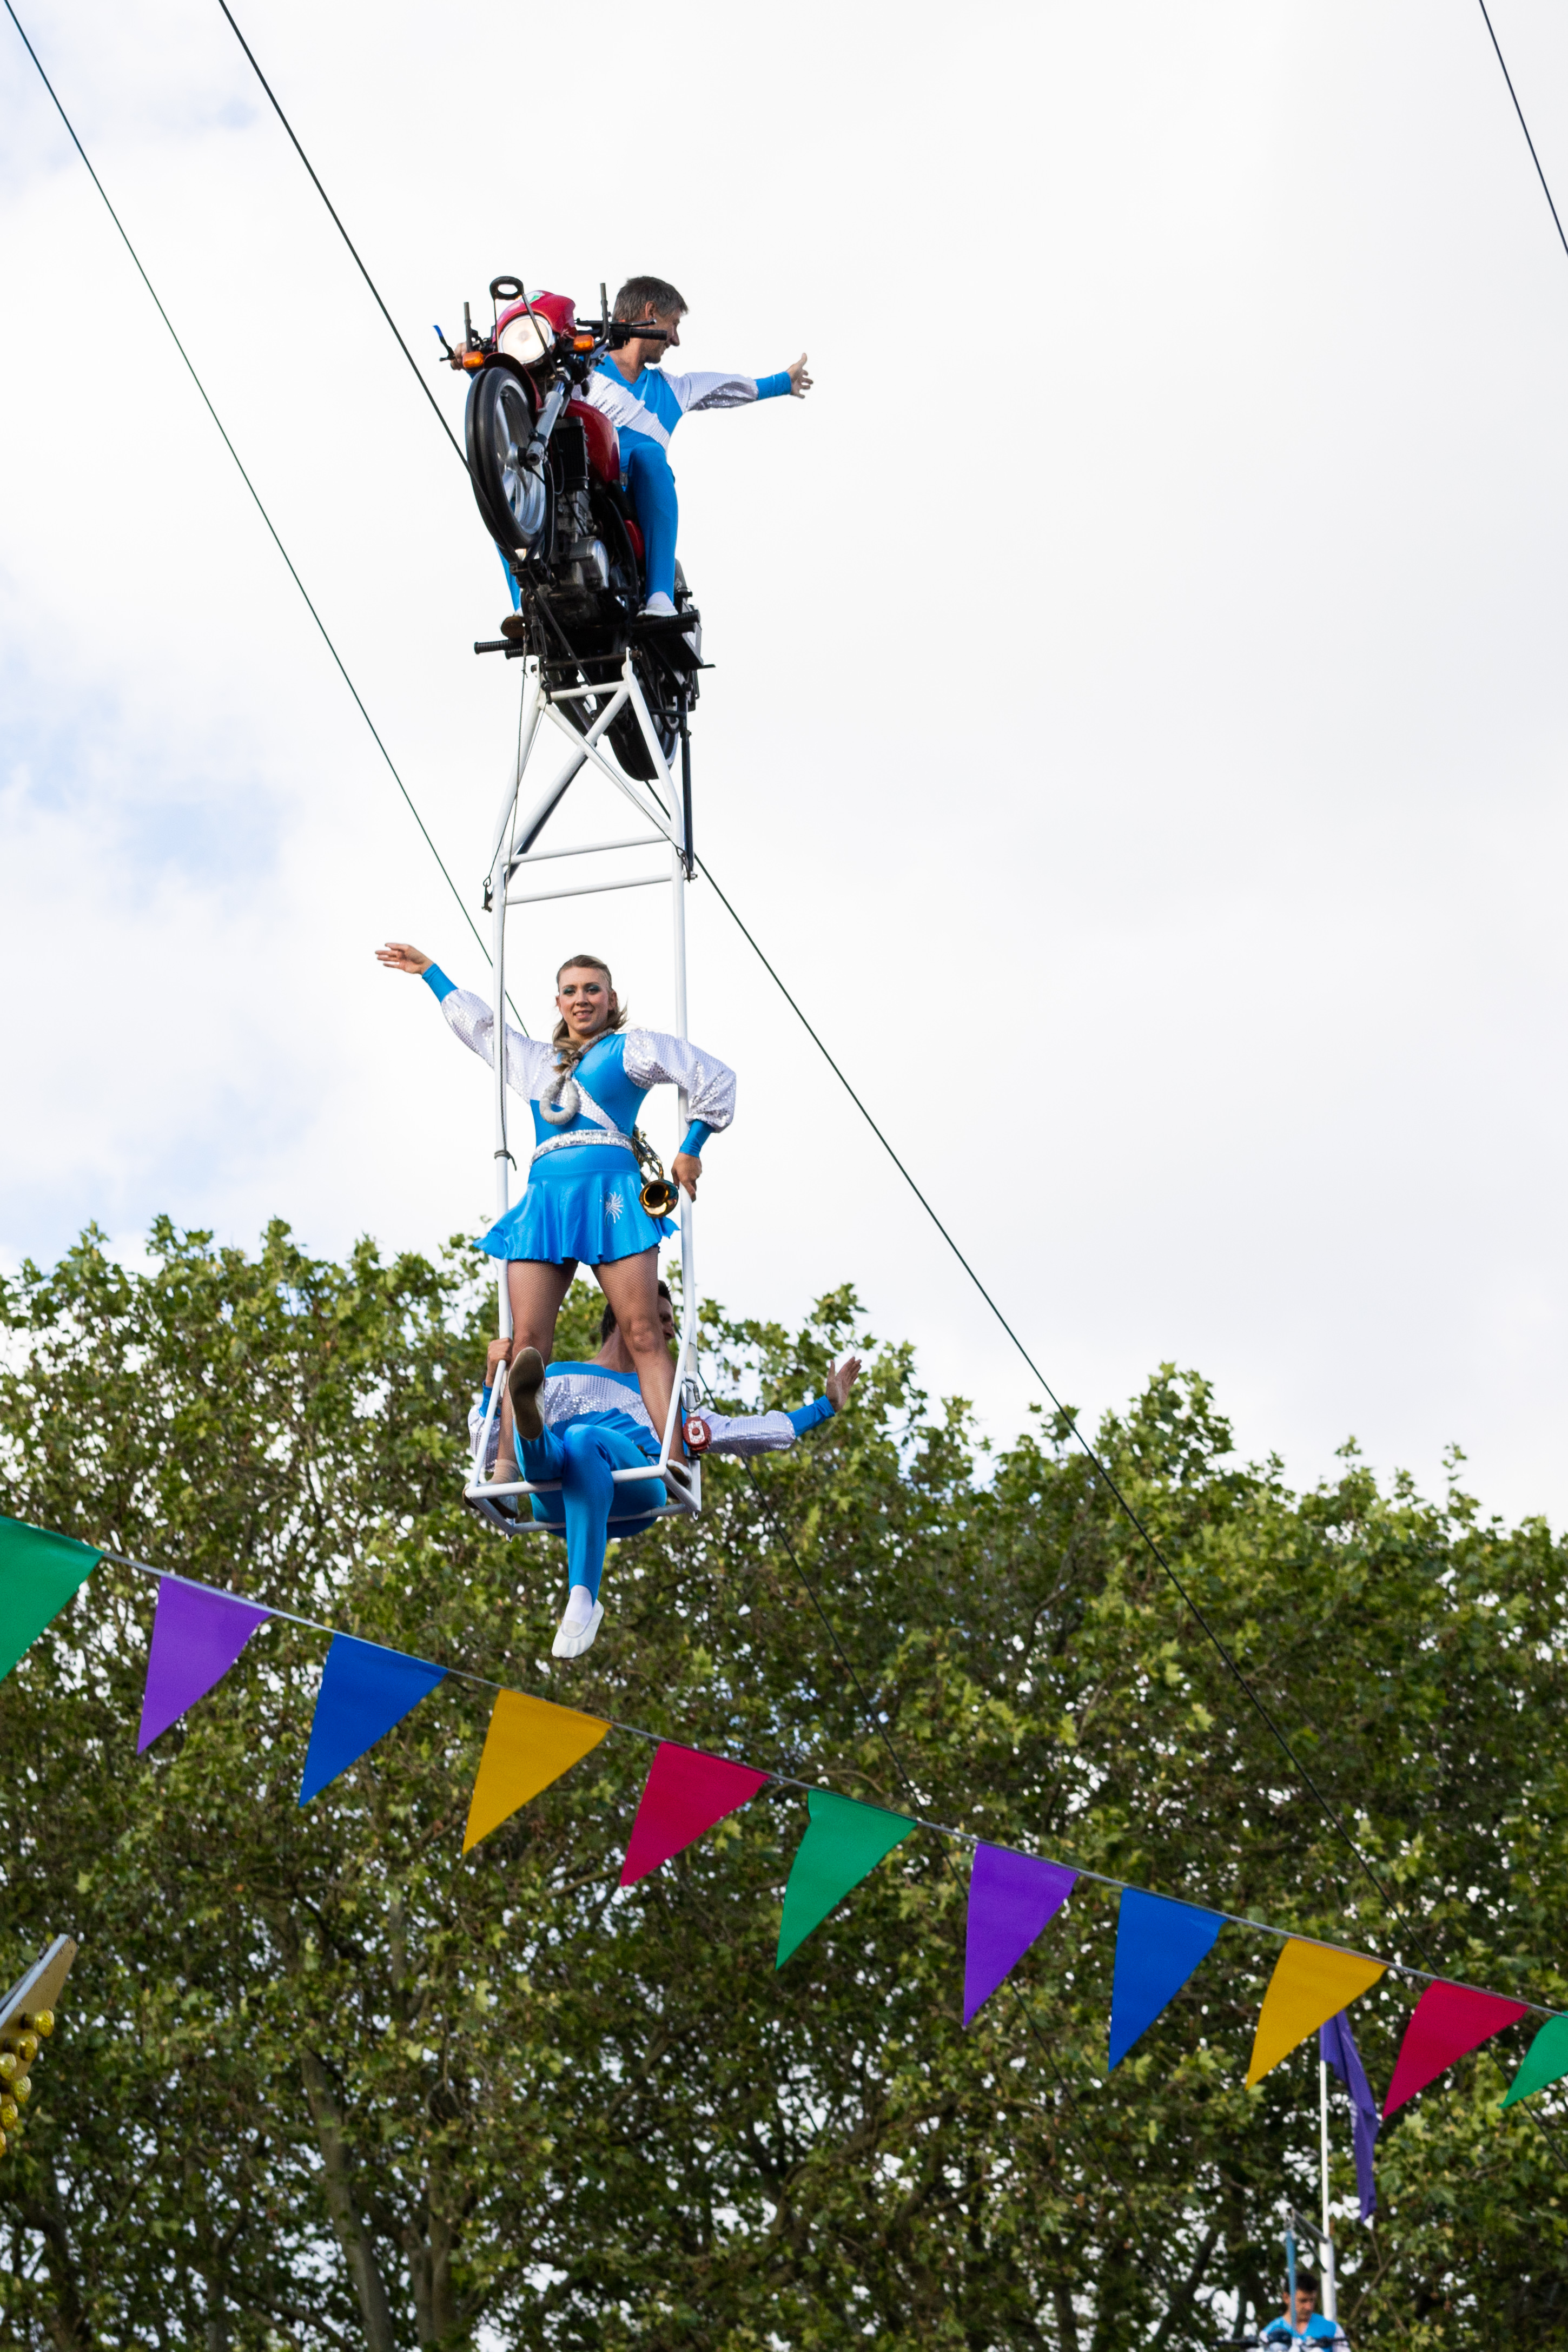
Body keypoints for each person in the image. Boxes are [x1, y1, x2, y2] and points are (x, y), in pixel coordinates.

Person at [376, 943, 734, 1479]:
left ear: (611, 999)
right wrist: (431, 973)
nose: (581, 998)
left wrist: (692, 1146)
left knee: (642, 1331)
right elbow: (481, 1030)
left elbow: (714, 1075)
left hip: (611, 1198)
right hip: (546, 1202)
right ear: (559, 1001)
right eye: (570, 991)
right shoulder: (534, 1062)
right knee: (526, 1344)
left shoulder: (631, 1049)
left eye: (592, 989)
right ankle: (505, 1467)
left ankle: (674, 1459)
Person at [470, 1285, 861, 1657]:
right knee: (551, 1443)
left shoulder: (664, 1395)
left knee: (582, 1438)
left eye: (671, 1322)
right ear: (621, 1317)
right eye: (661, 1318)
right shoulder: (556, 1376)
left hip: (634, 1491)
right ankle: (533, 1432)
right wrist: (492, 1385)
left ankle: (583, 1596)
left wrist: (824, 1407)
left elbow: (743, 1433)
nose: (670, 1329)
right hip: (559, 1499)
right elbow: (488, 1455)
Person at [584, 274, 811, 618]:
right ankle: (522, 607)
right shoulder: (582, 368)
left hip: (630, 498)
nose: (676, 340)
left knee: (649, 454)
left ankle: (659, 598)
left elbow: (727, 388)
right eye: (674, 324)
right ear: (650, 313)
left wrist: (783, 382)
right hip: (584, 488)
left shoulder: (673, 390)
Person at [1262, 2272, 1348, 2347]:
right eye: (1303, 2301)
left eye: (1312, 2300)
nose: (1309, 2307)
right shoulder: (1267, 2335)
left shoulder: (1332, 2330)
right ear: (1286, 2298)